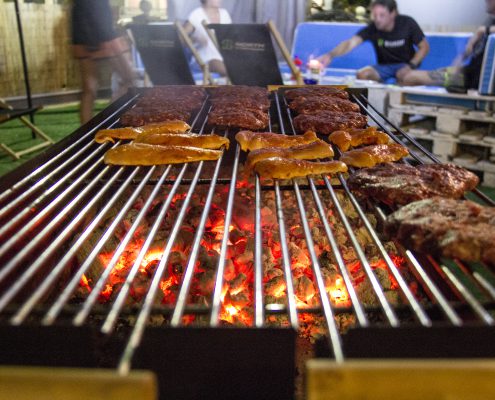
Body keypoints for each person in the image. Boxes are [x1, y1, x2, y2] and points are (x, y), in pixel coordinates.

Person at [317, 0, 429, 83]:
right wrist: (330, 55)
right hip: (384, 67)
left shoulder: (407, 23)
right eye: (375, 15)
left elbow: (424, 47)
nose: (377, 19)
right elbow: (350, 43)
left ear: (393, 13)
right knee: (362, 74)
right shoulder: (373, 28)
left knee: (404, 77)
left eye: (382, 15)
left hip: (406, 65)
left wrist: (411, 66)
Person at [400, 0, 495, 91]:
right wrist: (462, 58)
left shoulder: (486, 28)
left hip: (467, 79)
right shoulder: (490, 21)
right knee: (407, 76)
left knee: (410, 77)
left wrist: (483, 31)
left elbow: (482, 32)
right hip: (465, 72)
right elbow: (468, 51)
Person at [71, 0, 135, 124]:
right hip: (103, 33)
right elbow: (99, 11)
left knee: (89, 88)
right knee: (129, 78)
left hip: (80, 33)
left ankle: (87, 130)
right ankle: (107, 120)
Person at [183, 0, 232, 77]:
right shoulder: (196, 14)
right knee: (228, 70)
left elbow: (230, 37)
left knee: (240, 67)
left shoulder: (224, 13)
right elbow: (180, 38)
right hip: (203, 58)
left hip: (223, 56)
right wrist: (195, 39)